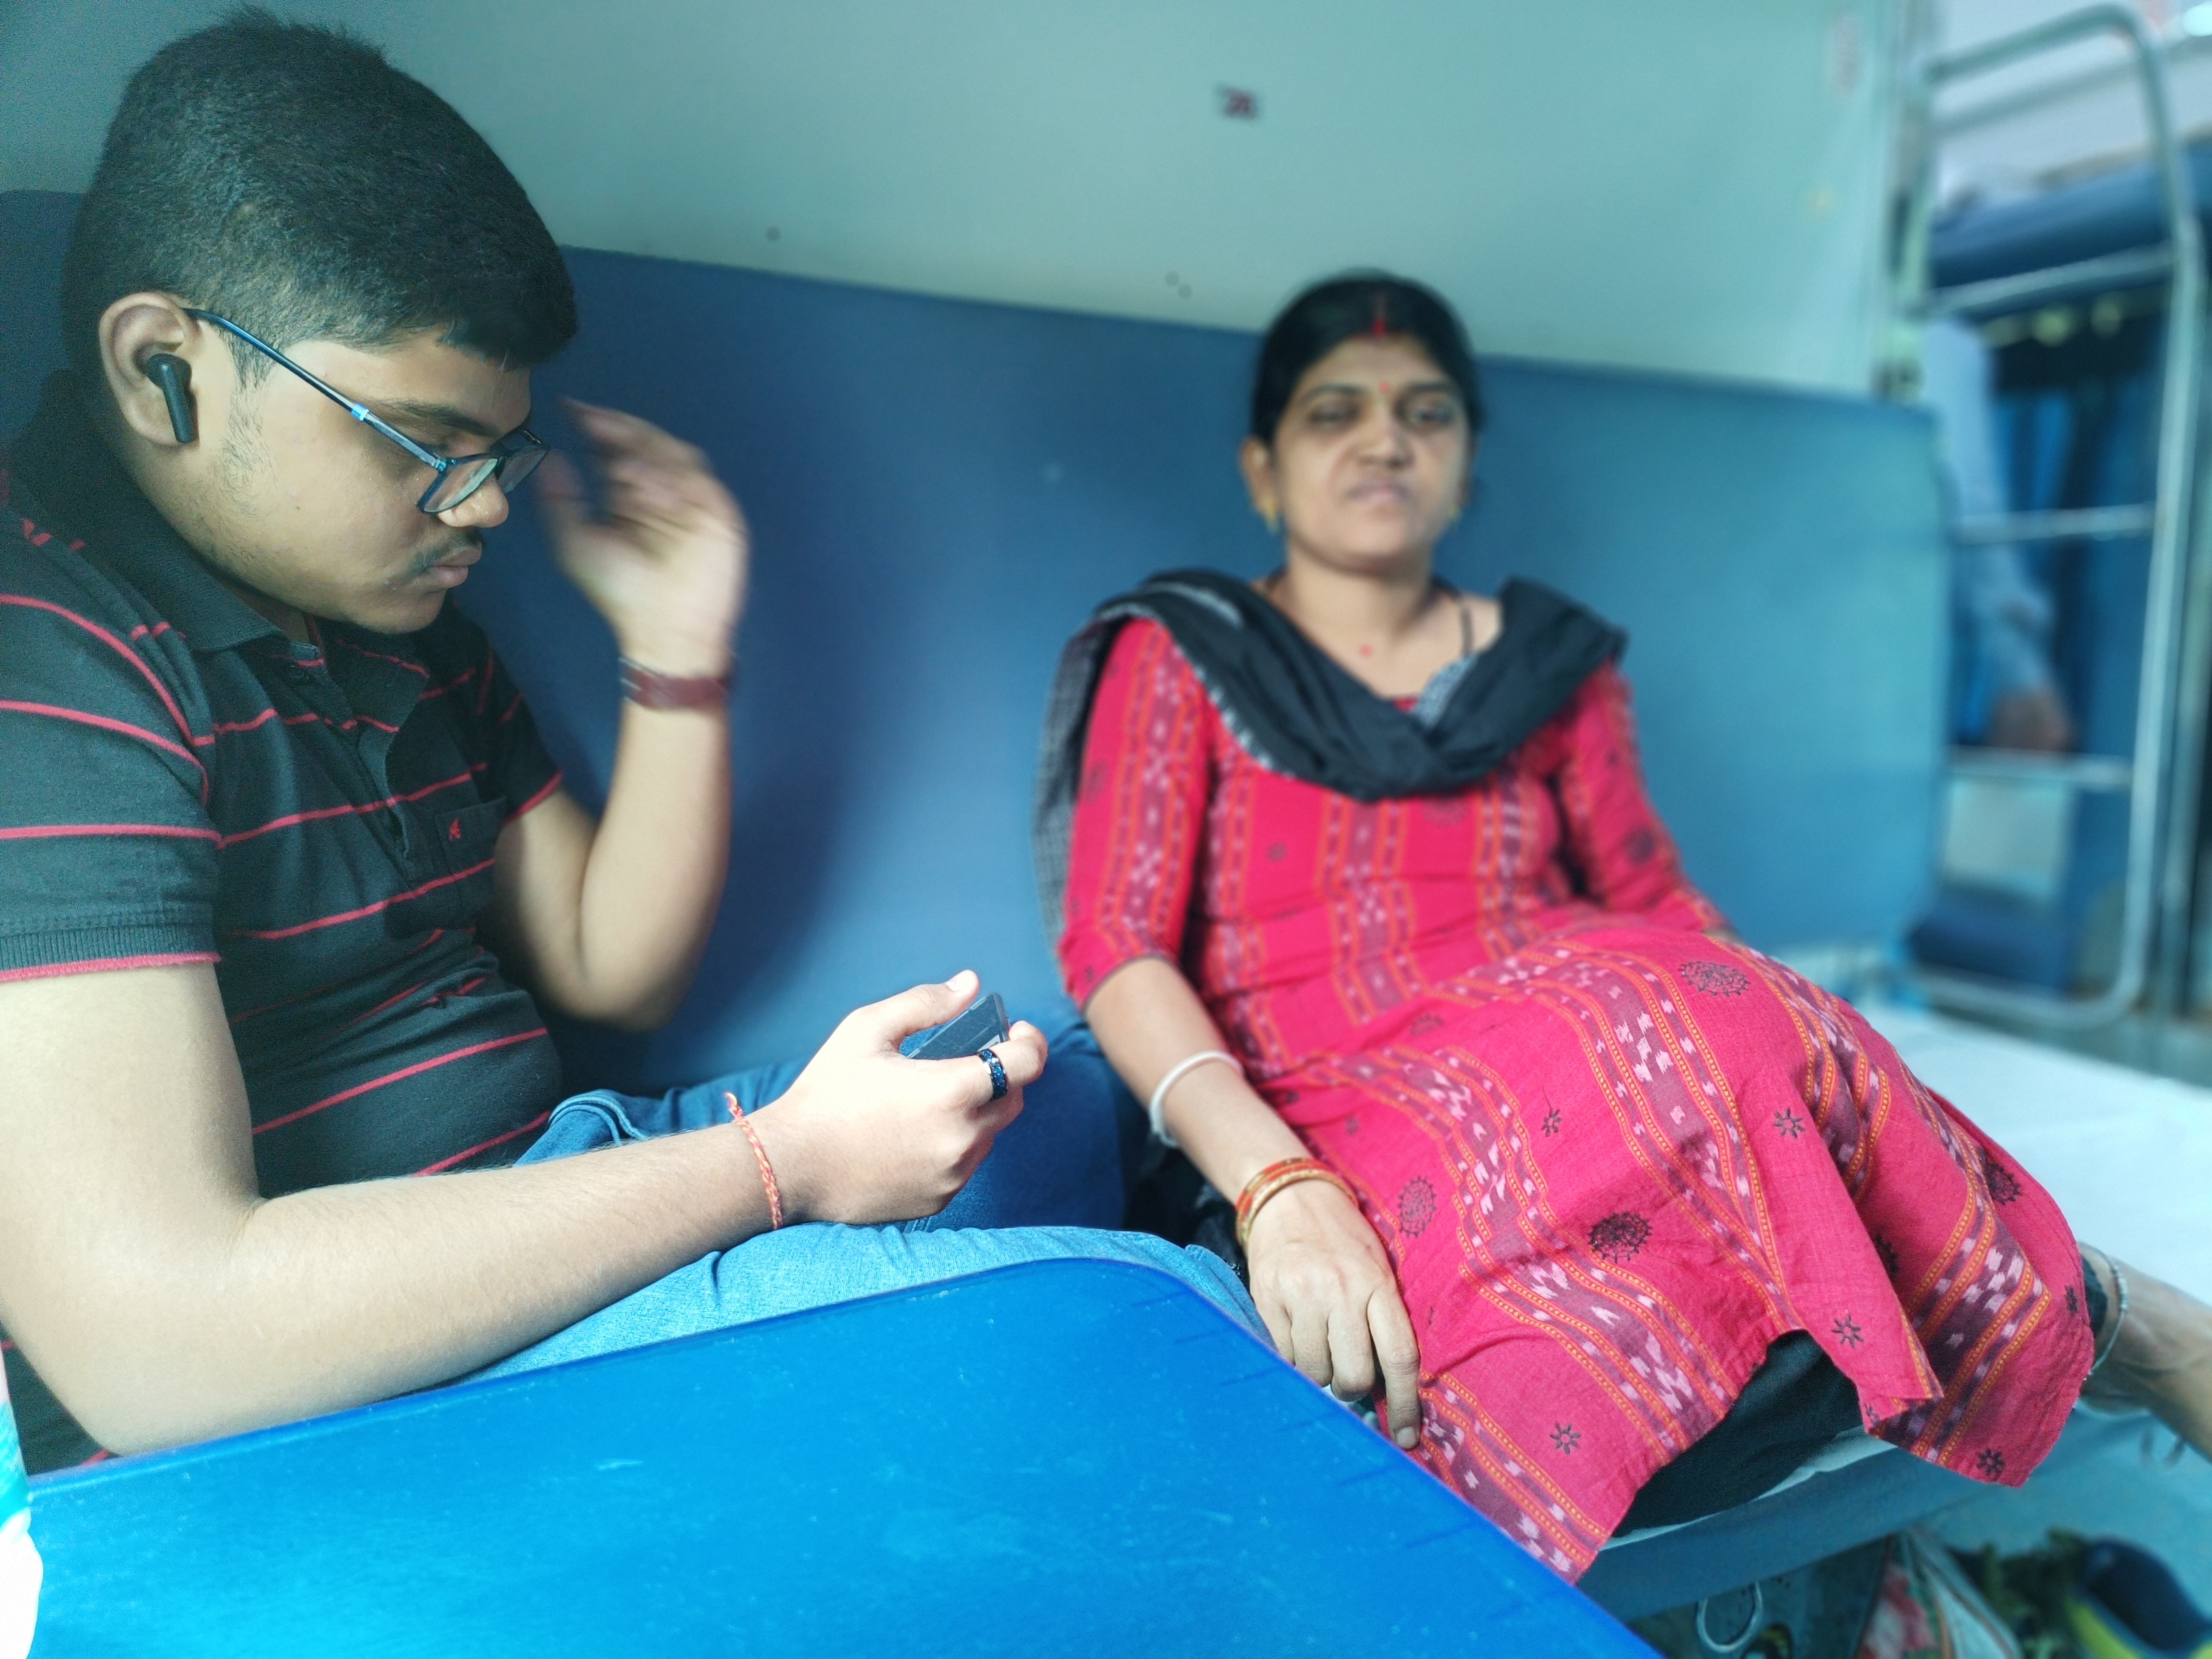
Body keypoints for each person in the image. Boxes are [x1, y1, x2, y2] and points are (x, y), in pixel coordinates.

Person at [0, 16, 1257, 1477]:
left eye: (497, 455)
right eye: (422, 443)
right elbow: (159, 1342)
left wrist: (676, 648)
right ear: (164, 369)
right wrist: (783, 1166)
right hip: (368, 1360)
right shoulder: (50, 658)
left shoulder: (382, 612)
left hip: (569, 1183)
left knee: (1064, 1092)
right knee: (1145, 1320)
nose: (481, 505)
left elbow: (608, 967)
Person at [1038, 272, 2212, 1579]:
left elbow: (1655, 904)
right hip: (1325, 1079)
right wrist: (1275, 1185)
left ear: (1464, 463)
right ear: (1263, 469)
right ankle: (2086, 1309)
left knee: (1720, 1023)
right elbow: (1115, 944)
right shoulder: (1180, 652)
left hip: (1577, 1006)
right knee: (1544, 1270)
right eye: (1334, 412)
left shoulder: (1546, 664)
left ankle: (2090, 1313)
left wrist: (1782, 1043)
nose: (1383, 440)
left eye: (1425, 412)